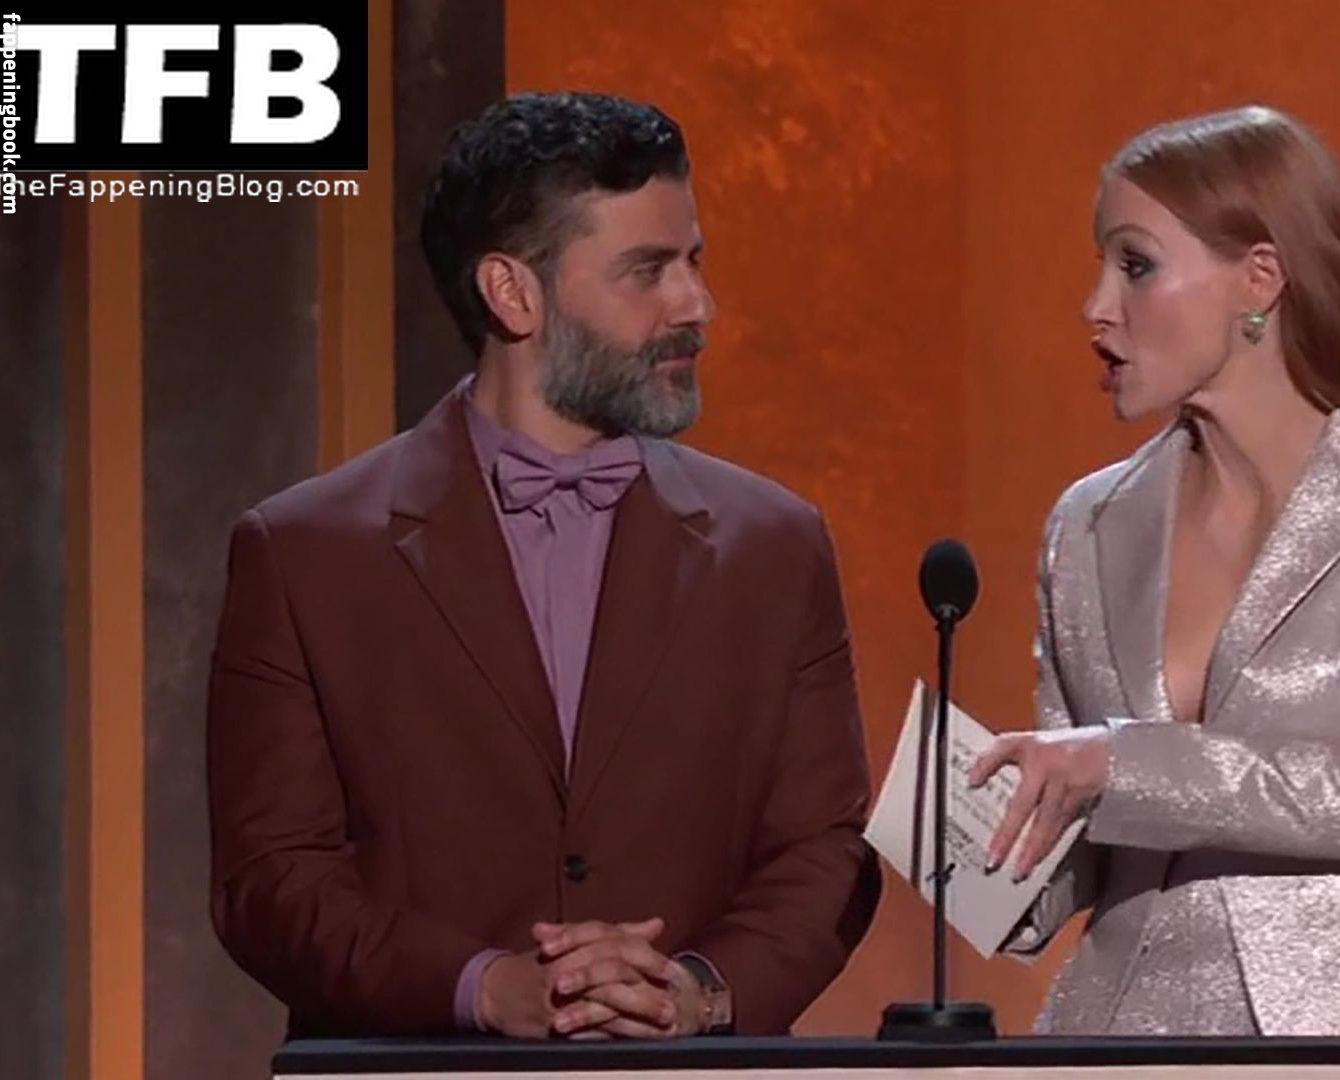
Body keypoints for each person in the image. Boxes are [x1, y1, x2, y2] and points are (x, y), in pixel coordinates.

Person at [207, 91, 878, 1041]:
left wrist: (698, 992)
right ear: (513, 293)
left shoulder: (774, 545)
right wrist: (478, 988)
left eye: (693, 262)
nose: (697, 305)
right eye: (648, 270)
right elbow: (270, 882)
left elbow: (823, 852)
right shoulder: (304, 552)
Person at [970, 105, 1340, 1036]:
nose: (1096, 306)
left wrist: (1119, 762)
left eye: (1134, 265)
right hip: (1127, 1039)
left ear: (1260, 280)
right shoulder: (1086, 525)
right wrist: (981, 845)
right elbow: (1089, 839)